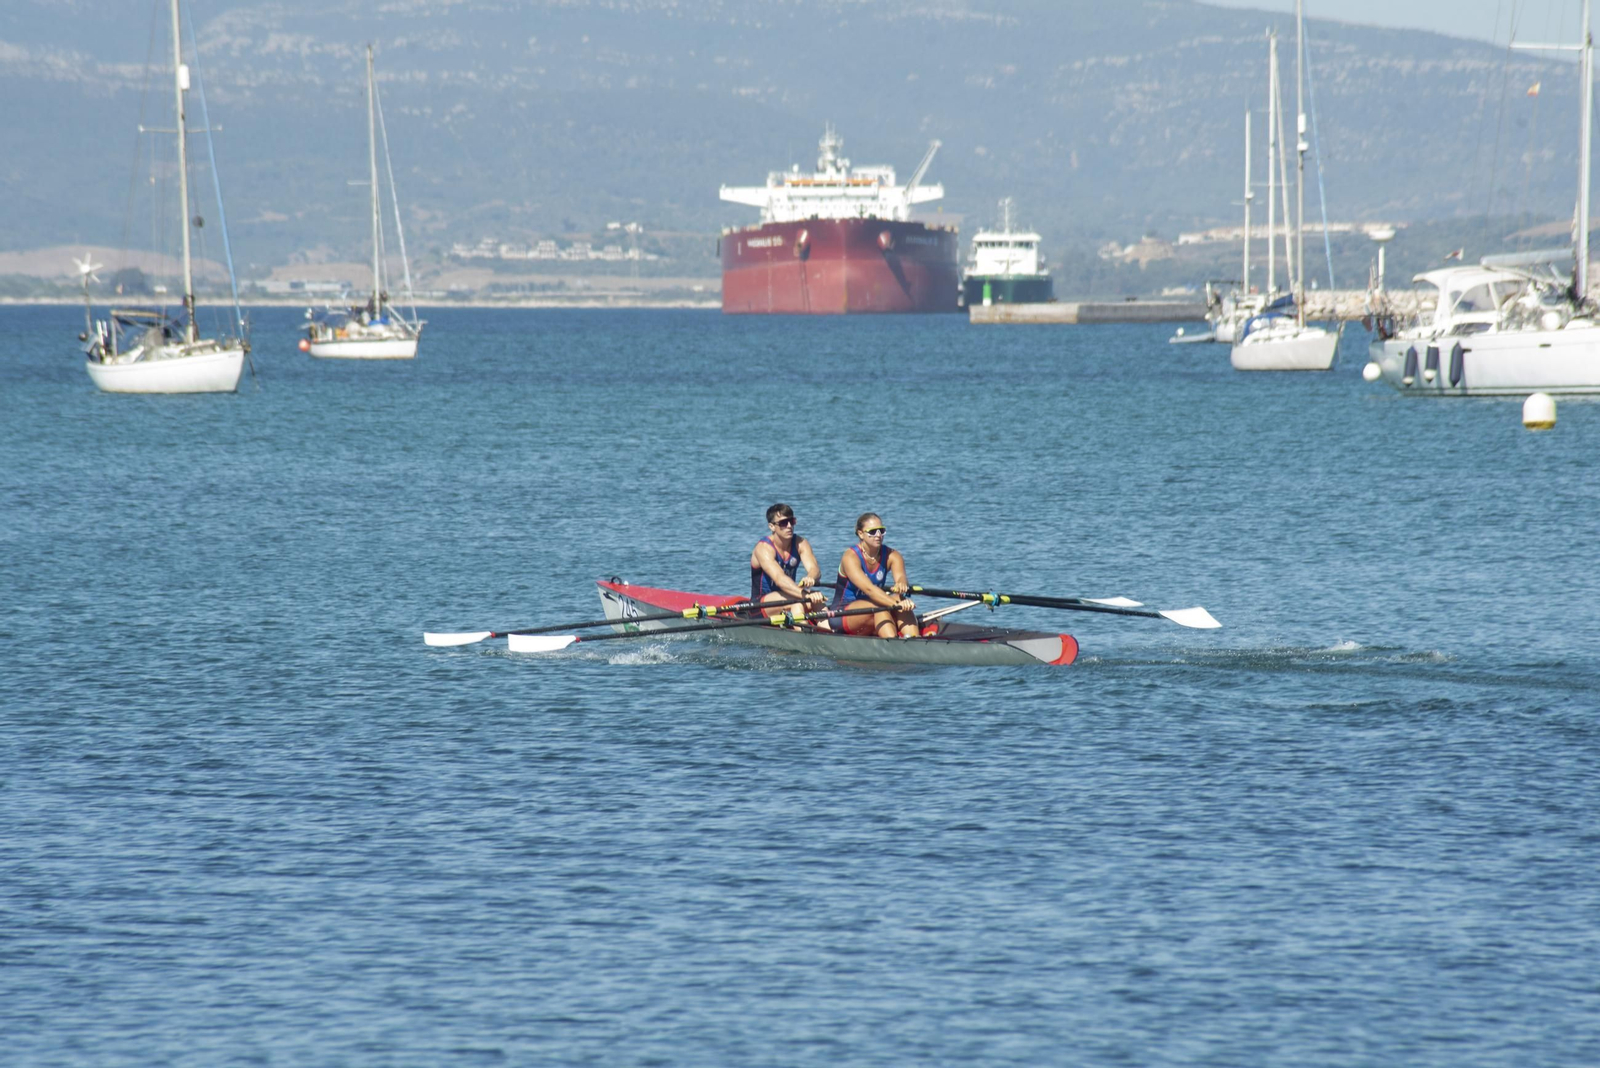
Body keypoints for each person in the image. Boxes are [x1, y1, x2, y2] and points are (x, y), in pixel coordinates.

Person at [834, 512, 919, 638]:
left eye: (881, 531)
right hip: (842, 613)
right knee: (882, 605)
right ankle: (893, 644)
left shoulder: (892, 555)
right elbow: (870, 590)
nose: (878, 535)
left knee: (900, 599)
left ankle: (915, 640)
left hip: (873, 606)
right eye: (872, 532)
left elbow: (901, 577)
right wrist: (895, 605)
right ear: (860, 534)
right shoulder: (850, 557)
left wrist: (901, 584)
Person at [749, 503, 828, 624]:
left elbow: (815, 569)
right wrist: (806, 595)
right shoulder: (763, 548)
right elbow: (779, 579)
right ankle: (805, 636)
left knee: (817, 601)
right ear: (772, 526)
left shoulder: (800, 543)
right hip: (759, 605)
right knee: (802, 600)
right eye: (783, 523)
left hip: (789, 597)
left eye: (792, 521)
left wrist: (811, 577)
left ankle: (829, 633)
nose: (789, 526)